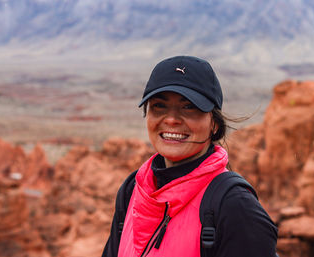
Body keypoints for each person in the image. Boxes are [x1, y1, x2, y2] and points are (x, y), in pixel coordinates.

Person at [102, 56, 278, 257]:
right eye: (159, 105)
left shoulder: (235, 206)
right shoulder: (134, 189)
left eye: (189, 107)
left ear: (214, 124)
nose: (171, 119)